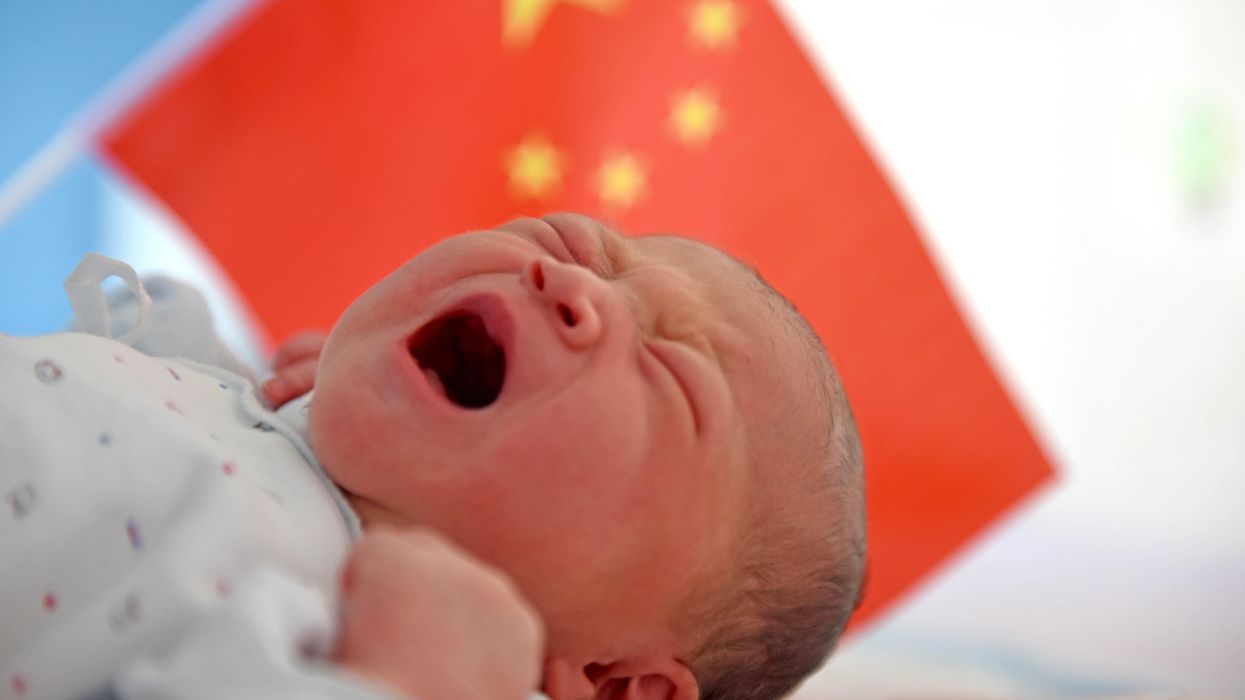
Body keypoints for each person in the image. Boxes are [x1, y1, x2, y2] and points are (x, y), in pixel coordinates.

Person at [0, 213, 866, 700]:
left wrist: (399, 687)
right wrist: (232, 389)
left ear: (614, 683)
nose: (573, 284)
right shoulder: (258, 412)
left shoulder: (439, 677)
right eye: (570, 242)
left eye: (666, 376)